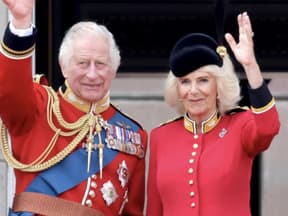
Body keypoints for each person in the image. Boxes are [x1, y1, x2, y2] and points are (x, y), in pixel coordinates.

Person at [0, 0, 148, 215]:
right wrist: (20, 23)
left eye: (101, 64)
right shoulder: (39, 107)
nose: (92, 74)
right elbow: (9, 90)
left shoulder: (133, 135)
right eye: (82, 63)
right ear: (64, 66)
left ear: (114, 70)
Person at [146, 12, 280, 216]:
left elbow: (268, 128)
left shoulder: (240, 126)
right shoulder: (160, 137)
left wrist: (251, 66)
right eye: (185, 82)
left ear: (219, 85)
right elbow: (154, 209)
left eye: (203, 80)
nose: (193, 90)